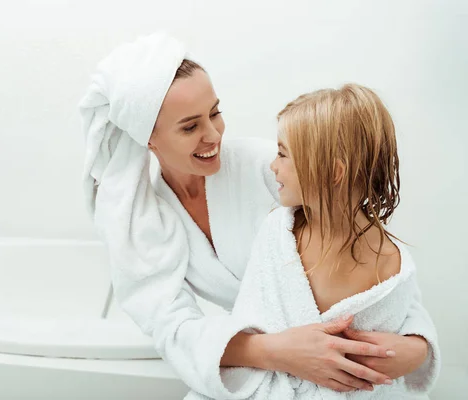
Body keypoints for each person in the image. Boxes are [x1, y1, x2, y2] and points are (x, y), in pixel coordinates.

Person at [79, 33, 438, 399]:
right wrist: (277, 352)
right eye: (190, 126)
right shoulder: (141, 220)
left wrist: (416, 347)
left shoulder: (274, 170)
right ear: (148, 138)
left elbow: (373, 265)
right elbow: (172, 328)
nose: (213, 134)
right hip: (263, 366)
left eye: (215, 113)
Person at [185, 83, 440, 399]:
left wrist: (417, 347)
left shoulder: (391, 264)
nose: (272, 165)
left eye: (282, 153)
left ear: (333, 172)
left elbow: (401, 328)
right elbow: (251, 319)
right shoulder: (277, 232)